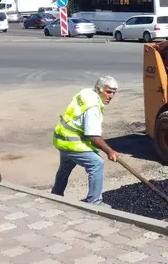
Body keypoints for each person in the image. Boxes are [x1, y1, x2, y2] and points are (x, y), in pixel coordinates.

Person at [51, 76, 120, 204]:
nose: (111, 96)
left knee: (66, 166)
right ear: (99, 89)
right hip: (71, 142)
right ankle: (94, 203)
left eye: (113, 93)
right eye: (108, 92)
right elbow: (93, 135)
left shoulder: (86, 92)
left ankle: (55, 195)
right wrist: (109, 151)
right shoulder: (93, 107)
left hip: (61, 137)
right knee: (97, 164)